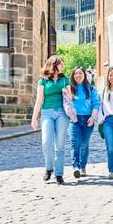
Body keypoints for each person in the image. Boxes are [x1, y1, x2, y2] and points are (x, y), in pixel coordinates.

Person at [31, 56, 72, 185]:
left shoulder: (64, 79)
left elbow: (70, 98)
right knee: (46, 141)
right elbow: (39, 100)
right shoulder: (43, 81)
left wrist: (66, 92)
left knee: (59, 144)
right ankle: (49, 168)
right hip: (47, 112)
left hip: (62, 113)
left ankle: (59, 173)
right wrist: (34, 118)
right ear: (53, 65)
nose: (62, 67)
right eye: (60, 64)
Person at [69, 66, 101, 178]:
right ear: (73, 76)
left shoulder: (90, 89)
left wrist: (93, 117)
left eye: (80, 73)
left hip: (88, 118)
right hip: (74, 120)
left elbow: (96, 104)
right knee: (75, 143)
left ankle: (83, 166)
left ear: (84, 75)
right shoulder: (70, 89)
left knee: (84, 143)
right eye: (76, 74)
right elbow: (65, 103)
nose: (78, 75)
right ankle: (76, 167)